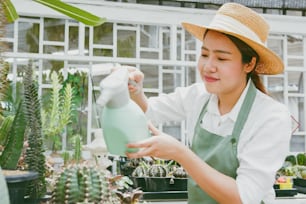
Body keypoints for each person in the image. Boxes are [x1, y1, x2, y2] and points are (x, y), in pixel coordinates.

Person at [125, 2, 292, 204]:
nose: (208, 66)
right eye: (204, 54)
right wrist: (136, 91)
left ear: (249, 64)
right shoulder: (199, 96)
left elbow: (244, 197)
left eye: (221, 58)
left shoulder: (271, 117)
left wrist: (180, 153)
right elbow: (150, 110)